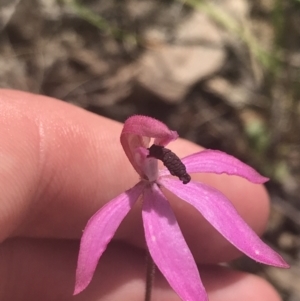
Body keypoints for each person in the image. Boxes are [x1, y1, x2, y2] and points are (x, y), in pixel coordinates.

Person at [0, 89, 282, 301]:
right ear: (134, 151)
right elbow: (94, 241)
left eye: (159, 142)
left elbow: (236, 170)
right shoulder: (117, 206)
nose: (152, 149)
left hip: (174, 180)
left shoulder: (186, 166)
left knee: (227, 217)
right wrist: (82, 278)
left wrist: (255, 177)